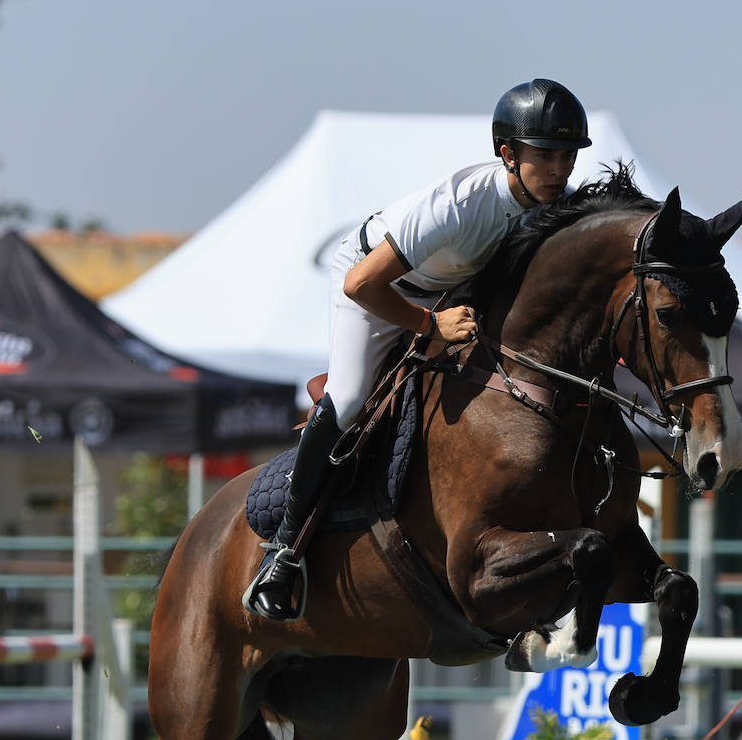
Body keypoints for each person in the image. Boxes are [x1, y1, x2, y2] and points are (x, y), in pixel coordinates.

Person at [242, 78, 593, 622]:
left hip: (450, 295)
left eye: (568, 156)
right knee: (351, 399)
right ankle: (283, 553)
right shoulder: (458, 206)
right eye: (545, 156)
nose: (559, 170)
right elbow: (362, 284)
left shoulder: (551, 207)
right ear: (507, 153)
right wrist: (429, 326)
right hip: (379, 290)